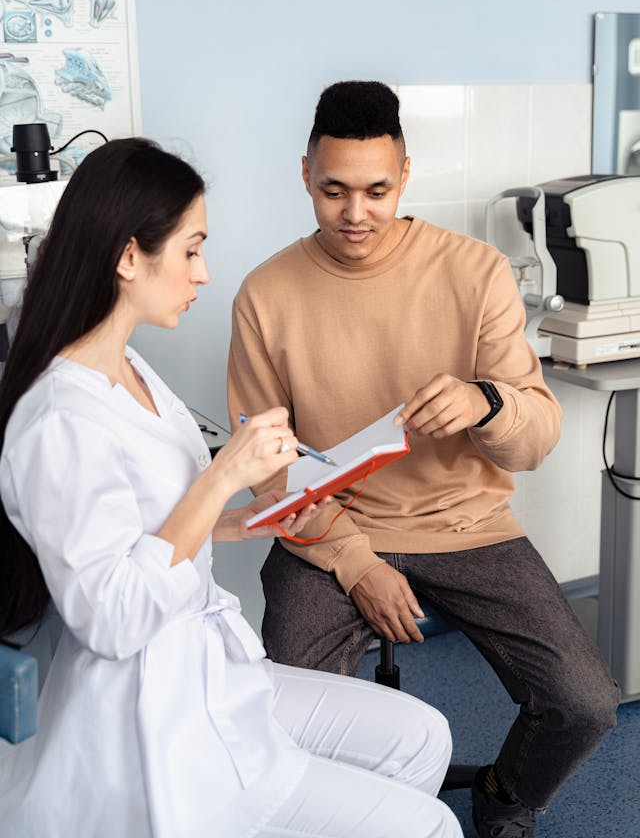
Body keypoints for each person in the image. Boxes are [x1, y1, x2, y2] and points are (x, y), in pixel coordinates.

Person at [0, 138, 462, 838]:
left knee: (421, 736)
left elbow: (146, 524)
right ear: (129, 257)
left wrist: (243, 518)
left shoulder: (130, 370)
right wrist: (221, 478)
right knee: (431, 827)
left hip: (212, 668)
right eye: (190, 250)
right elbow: (113, 618)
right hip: (159, 711)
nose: (204, 272)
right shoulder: (60, 421)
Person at [227, 81, 620, 838]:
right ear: (303, 172)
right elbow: (269, 467)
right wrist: (355, 562)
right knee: (285, 710)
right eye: (333, 190)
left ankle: (505, 797)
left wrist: (488, 404)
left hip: (467, 524)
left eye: (376, 190)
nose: (355, 214)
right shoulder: (265, 295)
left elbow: (537, 436)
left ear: (405, 175)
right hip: (330, 530)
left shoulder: (474, 273)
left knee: (584, 702)